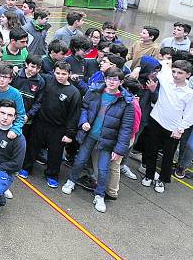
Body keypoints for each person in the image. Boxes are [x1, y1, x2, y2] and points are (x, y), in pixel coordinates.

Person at [61, 67, 134, 213]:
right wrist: (84, 121)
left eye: (115, 79)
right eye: (109, 78)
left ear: (121, 81)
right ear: (104, 78)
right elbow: (84, 108)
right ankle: (71, 181)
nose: (111, 82)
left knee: (103, 169)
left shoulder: (126, 102)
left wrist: (120, 150)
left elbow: (126, 129)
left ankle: (100, 195)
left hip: (108, 141)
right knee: (80, 160)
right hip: (89, 135)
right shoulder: (94, 91)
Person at [18, 61, 81, 188]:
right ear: (53, 72)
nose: (60, 76)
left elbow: (74, 116)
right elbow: (32, 72)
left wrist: (70, 134)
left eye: (63, 74)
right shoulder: (47, 81)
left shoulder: (74, 92)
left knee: (55, 153)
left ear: (69, 74)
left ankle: (52, 175)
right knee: (33, 146)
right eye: (57, 73)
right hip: (40, 123)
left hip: (59, 128)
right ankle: (26, 167)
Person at [140, 58, 193, 193]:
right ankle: (149, 175)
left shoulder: (189, 94)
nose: (175, 75)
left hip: (173, 129)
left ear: (188, 74)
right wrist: (166, 63)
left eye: (180, 73)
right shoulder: (165, 80)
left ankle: (161, 180)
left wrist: (180, 129)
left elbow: (189, 114)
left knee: (168, 158)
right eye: (174, 71)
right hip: (156, 121)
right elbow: (151, 61)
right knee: (151, 150)